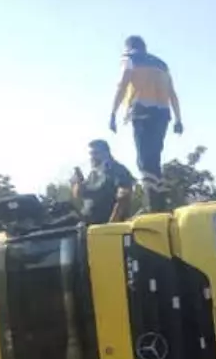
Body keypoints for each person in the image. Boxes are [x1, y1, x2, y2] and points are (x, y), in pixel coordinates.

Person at [109, 35, 183, 210]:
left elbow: (122, 84)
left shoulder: (129, 59)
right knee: (154, 159)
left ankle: (153, 204)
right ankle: (159, 201)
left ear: (128, 47)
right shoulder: (162, 65)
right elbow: (172, 93)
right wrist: (179, 119)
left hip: (142, 111)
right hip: (163, 113)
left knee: (144, 160)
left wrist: (113, 112)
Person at [72, 140, 136, 225]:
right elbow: (78, 195)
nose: (92, 157)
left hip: (105, 227)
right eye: (90, 154)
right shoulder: (93, 173)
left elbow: (124, 198)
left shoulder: (117, 170)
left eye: (95, 153)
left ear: (106, 153)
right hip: (87, 226)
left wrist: (111, 224)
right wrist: (79, 182)